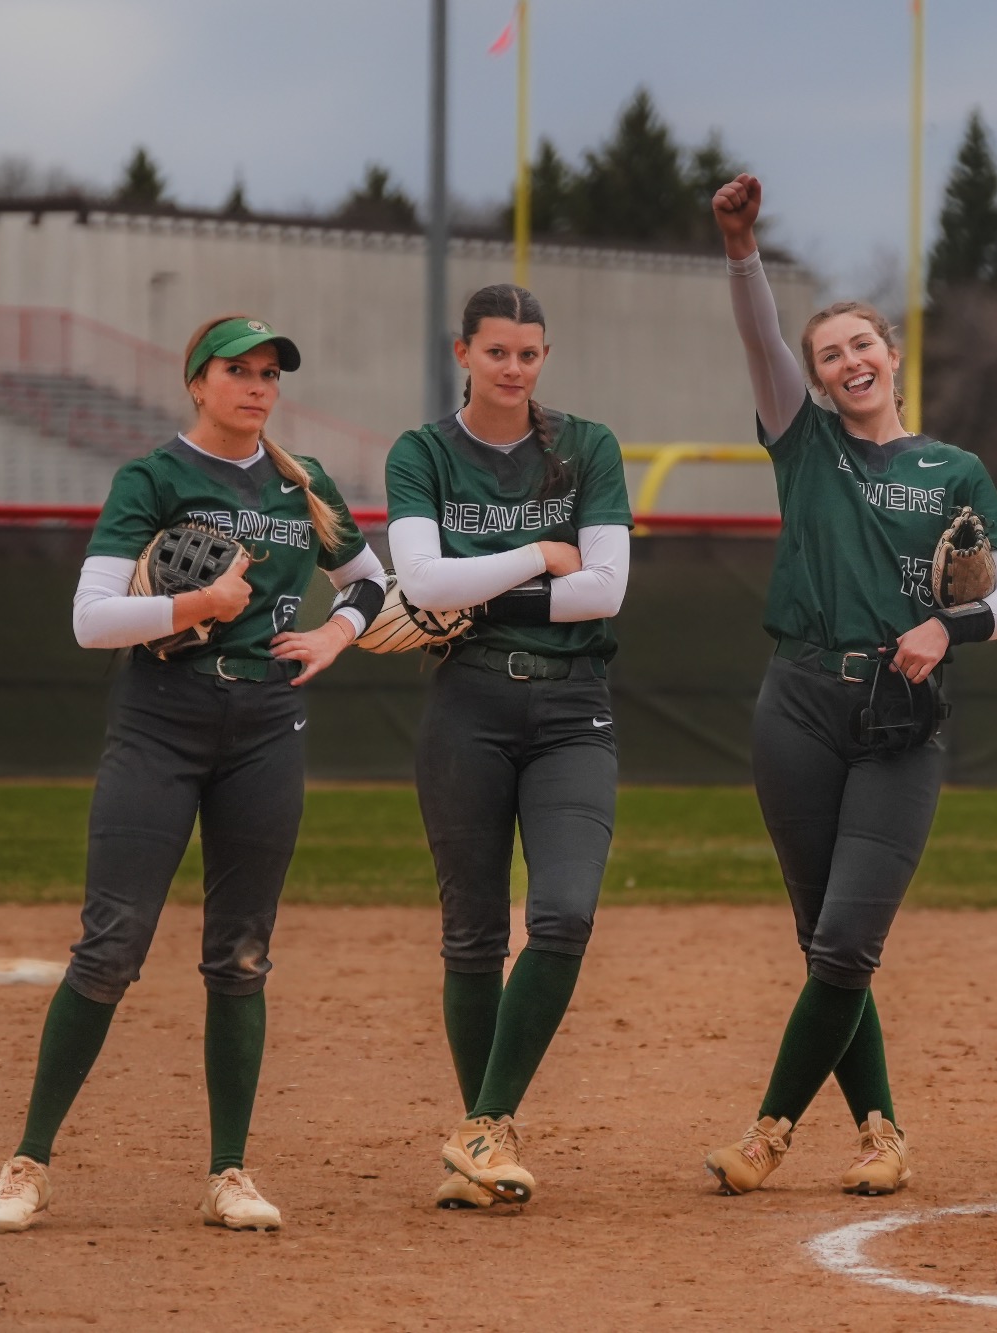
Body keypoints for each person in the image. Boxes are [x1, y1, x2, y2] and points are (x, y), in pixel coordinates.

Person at [0, 315, 388, 1233]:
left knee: (240, 954)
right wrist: (197, 603)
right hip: (162, 718)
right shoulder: (154, 477)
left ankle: (229, 1173)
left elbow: (371, 581)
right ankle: (28, 1161)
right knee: (110, 945)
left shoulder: (301, 482)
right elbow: (91, 620)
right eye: (237, 370)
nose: (257, 385)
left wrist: (335, 631)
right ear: (197, 382)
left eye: (269, 371)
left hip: (266, 728)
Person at [701, 174, 997, 1196]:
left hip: (899, 717)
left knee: (847, 937)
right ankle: (882, 1133)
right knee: (824, 941)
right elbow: (760, 337)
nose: (848, 361)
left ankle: (767, 1131)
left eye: (861, 345)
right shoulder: (803, 445)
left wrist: (950, 622)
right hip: (798, 704)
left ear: (891, 355)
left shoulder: (953, 468)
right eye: (828, 353)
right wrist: (742, 247)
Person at [384, 283, 631, 1209]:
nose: (515, 369)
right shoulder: (424, 453)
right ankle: (485, 1138)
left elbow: (605, 591)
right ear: (464, 354)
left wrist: (472, 589)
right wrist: (539, 554)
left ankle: (484, 1123)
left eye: (529, 354)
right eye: (497, 353)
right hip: (468, 706)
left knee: (562, 914)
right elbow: (417, 578)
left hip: (573, 706)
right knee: (475, 934)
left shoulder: (586, 446)